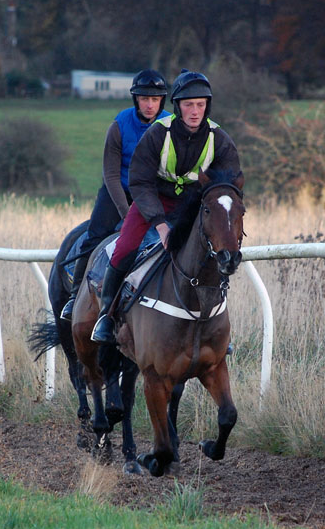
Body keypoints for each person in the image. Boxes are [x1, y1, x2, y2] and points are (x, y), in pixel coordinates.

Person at [91, 69, 243, 343]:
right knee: (125, 247)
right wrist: (160, 225)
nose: (195, 111)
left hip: (193, 203)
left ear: (207, 105)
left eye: (200, 105)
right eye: (188, 105)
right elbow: (139, 182)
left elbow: (229, 184)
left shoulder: (220, 138)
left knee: (209, 252)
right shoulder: (157, 133)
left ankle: (217, 328)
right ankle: (107, 315)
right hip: (153, 199)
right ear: (177, 106)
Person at [59, 69, 171, 321]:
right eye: (144, 99)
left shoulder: (171, 125)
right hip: (118, 191)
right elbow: (110, 174)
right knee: (94, 236)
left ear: (162, 101)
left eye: (155, 99)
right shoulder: (119, 125)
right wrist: (126, 212)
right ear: (135, 99)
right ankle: (74, 296)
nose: (150, 104)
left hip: (153, 195)